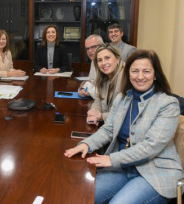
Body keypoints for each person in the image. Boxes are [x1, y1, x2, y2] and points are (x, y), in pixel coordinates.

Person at [65, 50, 182, 204]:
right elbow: (108, 129)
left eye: (146, 71)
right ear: (128, 74)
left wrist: (111, 159)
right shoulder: (122, 98)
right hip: (123, 168)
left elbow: (151, 146)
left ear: (155, 74)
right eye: (135, 71)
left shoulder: (168, 104)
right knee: (80, 195)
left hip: (155, 173)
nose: (140, 76)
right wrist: (87, 143)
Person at [87, 43, 125, 125]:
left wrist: (101, 116)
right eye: (100, 60)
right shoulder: (104, 77)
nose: (103, 63)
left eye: (107, 58)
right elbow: (98, 100)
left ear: (118, 59)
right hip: (108, 126)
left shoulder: (126, 78)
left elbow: (124, 113)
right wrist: (93, 113)